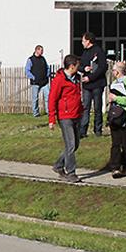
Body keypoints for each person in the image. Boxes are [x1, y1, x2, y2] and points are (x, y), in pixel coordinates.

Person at [48, 55, 84, 183]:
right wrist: (51, 119)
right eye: (77, 66)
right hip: (65, 116)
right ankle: (71, 172)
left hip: (76, 114)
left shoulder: (76, 78)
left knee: (75, 145)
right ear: (72, 66)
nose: (78, 68)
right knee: (70, 144)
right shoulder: (59, 80)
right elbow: (52, 99)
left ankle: (58, 165)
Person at [105, 61, 126, 178]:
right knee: (115, 143)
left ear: (118, 71)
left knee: (125, 142)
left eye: (114, 70)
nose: (113, 72)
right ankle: (115, 167)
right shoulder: (114, 83)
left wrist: (117, 98)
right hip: (115, 115)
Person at [78, 32, 108, 138]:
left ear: (88, 41)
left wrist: (90, 77)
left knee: (97, 108)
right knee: (85, 107)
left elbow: (102, 67)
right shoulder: (85, 53)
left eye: (83, 41)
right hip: (86, 85)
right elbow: (80, 66)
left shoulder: (98, 51)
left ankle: (98, 130)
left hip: (97, 84)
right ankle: (82, 131)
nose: (82, 43)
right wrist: (84, 69)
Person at [25, 45, 50, 117]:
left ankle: (49, 112)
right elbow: (27, 70)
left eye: (42, 50)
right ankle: (35, 113)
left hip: (44, 82)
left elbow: (47, 68)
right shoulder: (31, 59)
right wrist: (33, 77)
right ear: (36, 50)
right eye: (41, 50)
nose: (42, 52)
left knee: (48, 97)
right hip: (35, 82)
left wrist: (47, 75)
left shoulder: (43, 59)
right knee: (35, 98)